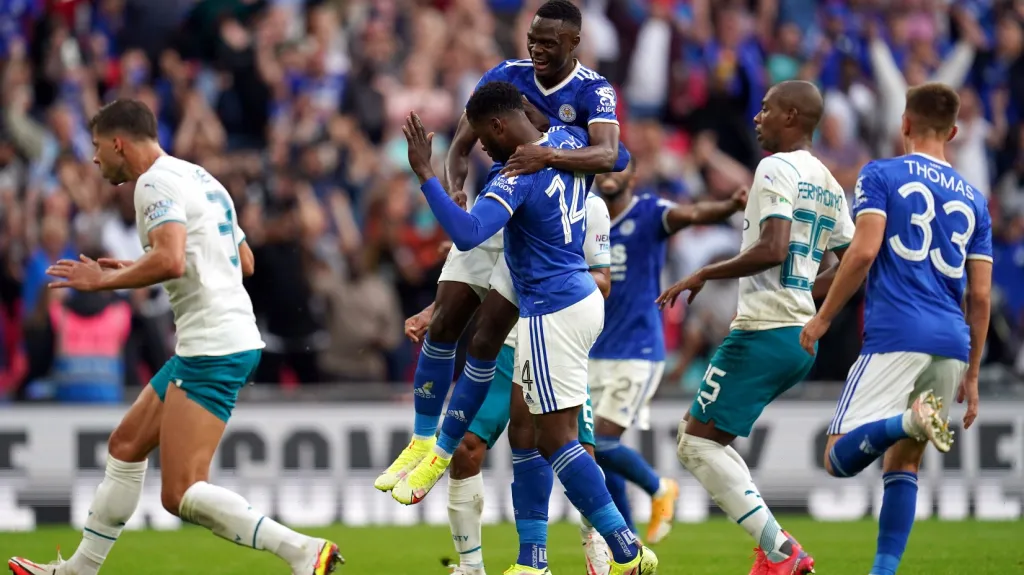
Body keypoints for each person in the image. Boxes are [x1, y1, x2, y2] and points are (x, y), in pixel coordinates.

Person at [8, 100, 342, 575]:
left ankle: (302, 551)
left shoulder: (153, 184)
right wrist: (138, 266)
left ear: (119, 143)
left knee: (181, 491)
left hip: (212, 345)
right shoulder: (200, 177)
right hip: (218, 339)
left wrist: (103, 280)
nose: (95, 158)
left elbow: (170, 260)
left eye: (98, 147)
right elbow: (242, 260)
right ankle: (79, 570)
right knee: (125, 446)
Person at [375, 0, 624, 503]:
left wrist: (545, 155)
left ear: (574, 42)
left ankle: (442, 452)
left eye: (548, 42)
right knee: (445, 320)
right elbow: (460, 145)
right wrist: (455, 187)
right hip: (497, 204)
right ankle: (421, 443)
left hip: (544, 229)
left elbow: (612, 155)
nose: (537, 49)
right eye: (532, 39)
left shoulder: (593, 90)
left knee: (488, 341)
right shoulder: (506, 77)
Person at [404, 81, 657, 575]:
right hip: (579, 300)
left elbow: (468, 233)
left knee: (556, 441)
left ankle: (626, 551)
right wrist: (553, 145)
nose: (482, 149)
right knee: (548, 436)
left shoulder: (516, 172)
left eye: (483, 138)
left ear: (499, 127)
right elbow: (617, 155)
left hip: (549, 307)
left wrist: (425, 174)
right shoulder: (567, 141)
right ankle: (586, 554)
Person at [656, 80, 854, 575]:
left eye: (766, 109)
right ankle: (774, 549)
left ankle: (780, 550)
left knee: (695, 444)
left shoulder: (775, 166)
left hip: (763, 328)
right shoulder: (828, 181)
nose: (757, 117)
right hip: (799, 336)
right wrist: (808, 298)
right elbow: (854, 261)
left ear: (791, 116)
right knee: (708, 440)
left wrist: (704, 272)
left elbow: (773, 247)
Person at [800, 82, 991, 575]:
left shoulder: (880, 173)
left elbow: (863, 251)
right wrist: (972, 374)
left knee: (836, 458)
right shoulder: (975, 200)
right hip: (952, 342)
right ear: (952, 132)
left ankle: (907, 420)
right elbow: (980, 296)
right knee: (904, 465)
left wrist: (823, 317)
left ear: (904, 123)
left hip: (895, 334)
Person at [403, 187, 612, 575]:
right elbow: (482, 270)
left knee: (572, 447)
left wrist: (556, 276)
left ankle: (597, 541)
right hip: (502, 344)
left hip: (554, 337)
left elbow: (603, 280)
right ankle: (473, 566)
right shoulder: (505, 195)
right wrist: (436, 310)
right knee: (464, 448)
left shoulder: (588, 205)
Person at [590, 157, 746, 544]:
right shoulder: (586, 216)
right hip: (592, 348)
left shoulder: (649, 212)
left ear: (633, 174)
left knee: (603, 442)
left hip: (638, 348)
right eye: (604, 166)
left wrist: (728, 206)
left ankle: (660, 488)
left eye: (618, 166)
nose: (609, 173)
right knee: (594, 450)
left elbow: (692, 214)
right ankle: (626, 539)